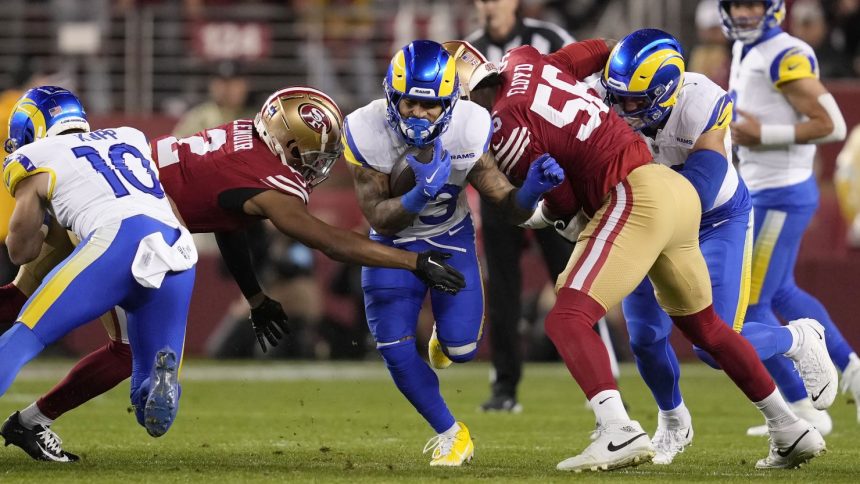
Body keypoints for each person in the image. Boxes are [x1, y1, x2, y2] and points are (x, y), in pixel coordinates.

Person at [0, 86, 467, 462]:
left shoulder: (240, 136)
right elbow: (326, 240)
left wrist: (255, 296)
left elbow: (227, 213)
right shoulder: (269, 181)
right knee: (70, 332)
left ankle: (34, 420)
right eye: (309, 153)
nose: (315, 165)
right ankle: (44, 417)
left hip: (106, 209)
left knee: (31, 308)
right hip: (144, 232)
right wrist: (414, 261)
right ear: (286, 142)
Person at [455, 37, 827, 471]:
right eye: (622, 98)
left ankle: (618, 431)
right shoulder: (524, 59)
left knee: (567, 316)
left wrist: (542, 208)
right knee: (697, 332)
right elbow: (593, 51)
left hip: (669, 202)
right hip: (666, 199)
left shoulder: (505, 127)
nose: (627, 109)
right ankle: (788, 428)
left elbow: (565, 199)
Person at [601, 28, 837, 464]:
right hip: (646, 215)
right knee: (646, 338)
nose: (623, 110)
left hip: (713, 218)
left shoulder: (701, 101)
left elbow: (701, 189)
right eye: (618, 98)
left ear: (667, 89)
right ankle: (672, 420)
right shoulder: (608, 99)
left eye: (636, 101)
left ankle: (797, 336)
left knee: (714, 345)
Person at [343, 39, 563, 466]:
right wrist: (417, 195)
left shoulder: (470, 124)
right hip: (392, 246)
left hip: (449, 237)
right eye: (410, 104)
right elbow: (379, 217)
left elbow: (504, 201)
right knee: (393, 345)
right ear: (392, 96)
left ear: (451, 102)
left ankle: (448, 341)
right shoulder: (365, 128)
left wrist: (531, 191)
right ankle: (451, 432)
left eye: (432, 106)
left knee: (462, 350)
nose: (420, 115)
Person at [0, 86, 198, 458]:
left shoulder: (36, 156)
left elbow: (19, 250)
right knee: (143, 387)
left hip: (117, 241)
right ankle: (156, 386)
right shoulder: (130, 138)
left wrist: (43, 227)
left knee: (22, 339)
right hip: (177, 254)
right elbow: (171, 209)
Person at [464, 0, 621, 414]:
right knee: (501, 289)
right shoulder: (471, 52)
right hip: (501, 185)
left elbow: (579, 83)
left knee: (573, 279)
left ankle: (605, 375)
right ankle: (504, 385)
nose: (488, 6)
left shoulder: (545, 40)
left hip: (556, 175)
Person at [720, 0, 860, 429]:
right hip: (768, 188)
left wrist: (765, 135)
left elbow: (832, 123)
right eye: (736, 5)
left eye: (752, 5)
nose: (743, 14)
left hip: (779, 193)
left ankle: (807, 402)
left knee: (750, 307)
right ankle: (839, 379)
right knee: (780, 292)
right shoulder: (748, 49)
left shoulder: (783, 52)